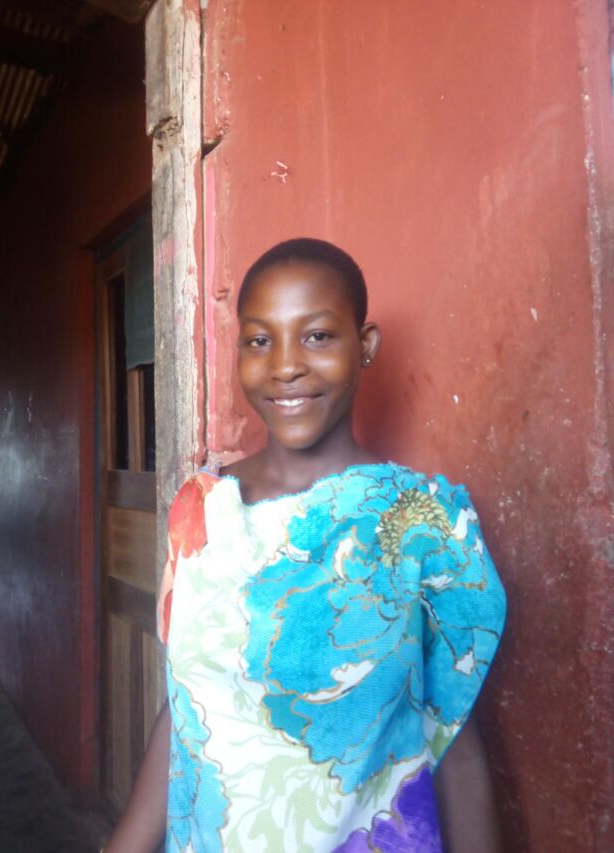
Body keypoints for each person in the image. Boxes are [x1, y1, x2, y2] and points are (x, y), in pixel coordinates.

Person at [105, 238, 507, 853]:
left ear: (364, 345)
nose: (286, 365)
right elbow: (190, 704)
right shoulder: (201, 509)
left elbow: (453, 732)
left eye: (317, 336)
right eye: (259, 341)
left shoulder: (421, 521)